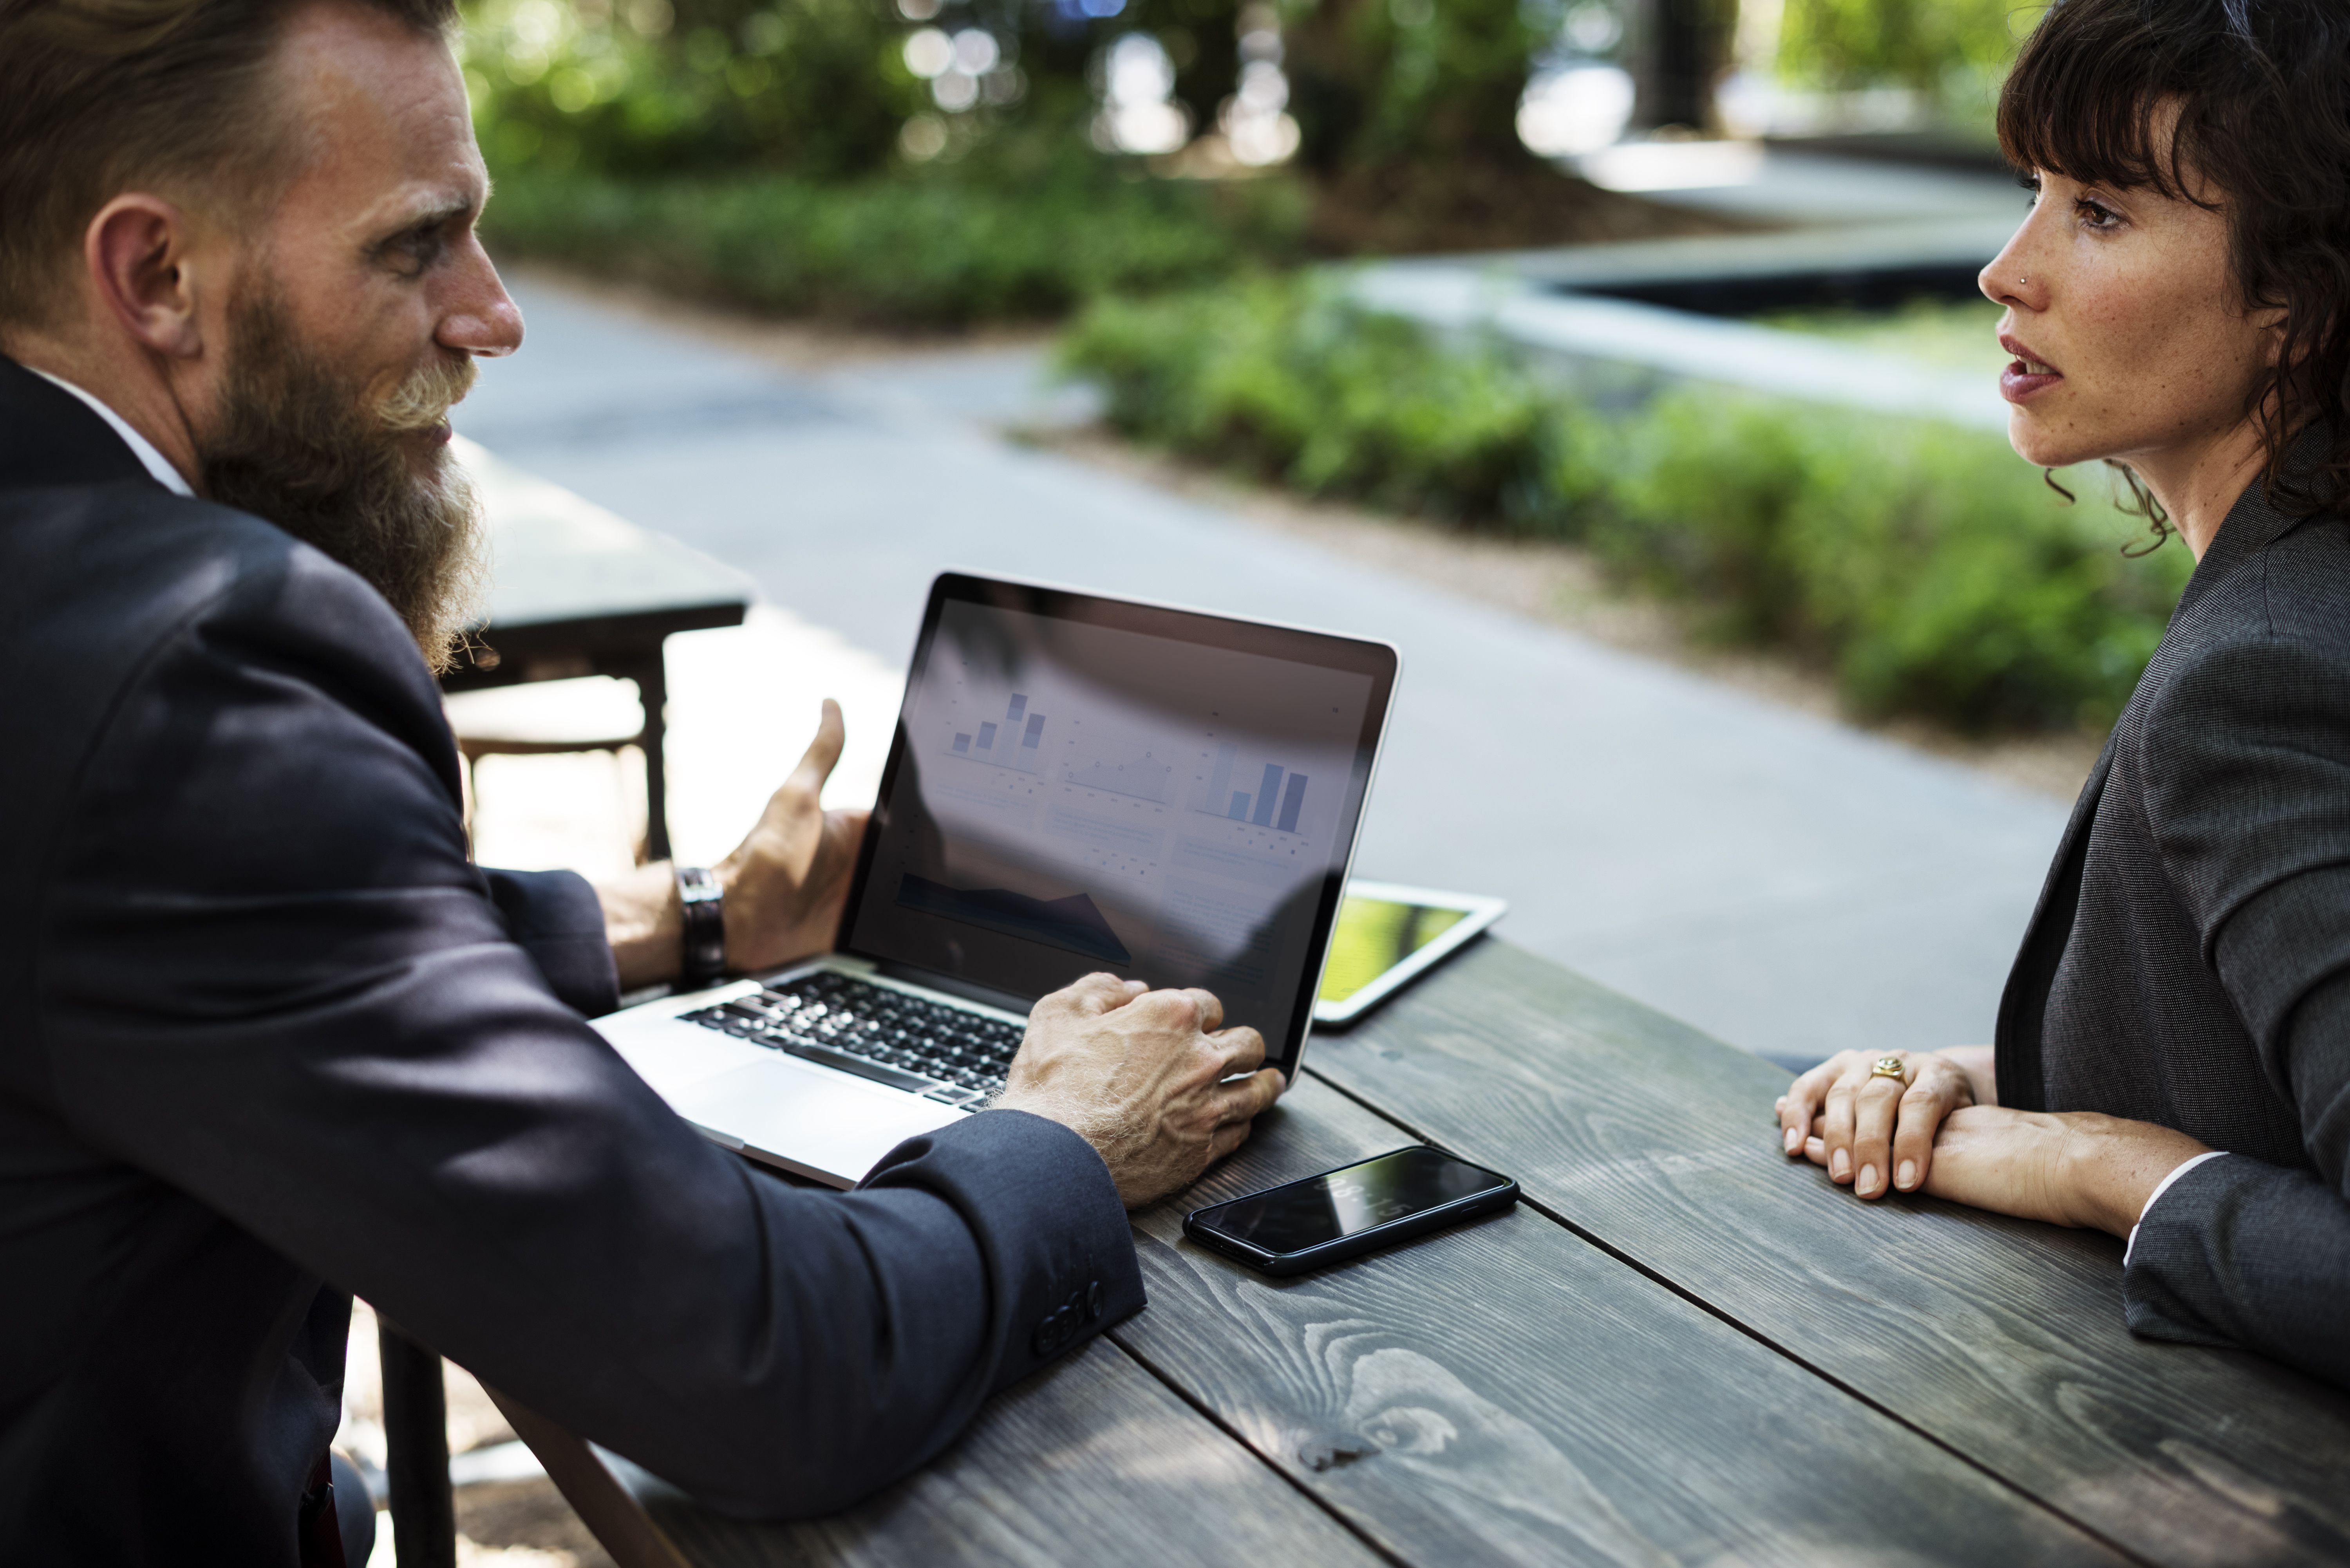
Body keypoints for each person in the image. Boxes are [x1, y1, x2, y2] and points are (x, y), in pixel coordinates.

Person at [0, 0, 1287, 1560]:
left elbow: (155, 936)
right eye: (418, 248)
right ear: (154, 276)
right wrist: (1066, 1137)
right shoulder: (199, 663)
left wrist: (689, 916)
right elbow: (767, 1367)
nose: (495, 314)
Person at [1772, 0, 2350, 1391]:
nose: (2004, 271)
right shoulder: (2297, 588)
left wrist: (2097, 1165)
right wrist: (1984, 1076)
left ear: (2299, 296)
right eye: (2030, 192)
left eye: (2098, 211)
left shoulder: (2262, 679)